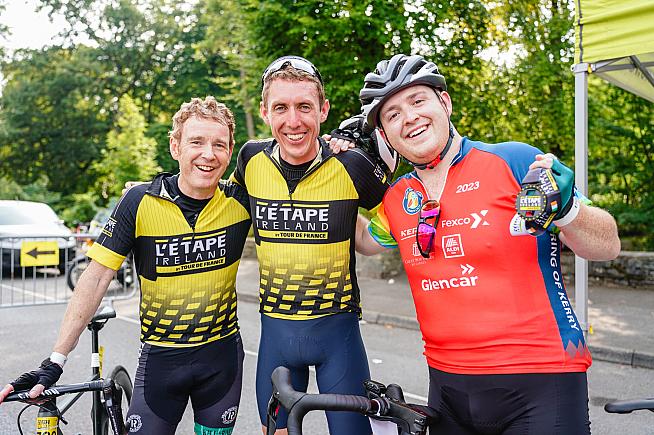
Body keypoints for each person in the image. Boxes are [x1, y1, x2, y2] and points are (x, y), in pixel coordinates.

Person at [345, 54, 621, 434]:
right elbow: (362, 239)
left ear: (445, 103)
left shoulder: (515, 160)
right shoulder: (397, 198)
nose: (408, 117)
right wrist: (329, 171)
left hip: (541, 381)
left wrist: (568, 208)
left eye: (418, 101)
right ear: (385, 135)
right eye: (392, 115)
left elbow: (607, 245)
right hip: (447, 387)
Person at [0, 97, 252, 435]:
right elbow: (96, 278)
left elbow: (289, 155)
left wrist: (341, 141)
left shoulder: (241, 200)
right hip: (162, 362)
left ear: (230, 150)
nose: (208, 153)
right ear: (175, 146)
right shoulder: (139, 202)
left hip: (222, 362)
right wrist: (55, 361)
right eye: (196, 141)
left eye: (218, 144)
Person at [231, 56, 389, 435]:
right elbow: (215, 208)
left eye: (304, 106)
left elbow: (400, 212)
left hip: (339, 338)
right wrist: (155, 194)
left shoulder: (351, 165)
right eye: (281, 107)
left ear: (323, 109)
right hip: (276, 338)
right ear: (265, 112)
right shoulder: (250, 159)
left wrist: (357, 222)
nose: (294, 120)